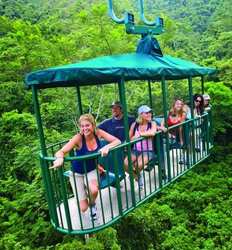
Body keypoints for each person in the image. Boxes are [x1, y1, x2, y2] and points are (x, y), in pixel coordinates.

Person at [51, 114, 120, 220]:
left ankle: (92, 204)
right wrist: (60, 158)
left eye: (87, 125)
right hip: (77, 173)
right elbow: (61, 151)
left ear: (93, 125)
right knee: (83, 208)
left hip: (91, 170)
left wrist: (107, 147)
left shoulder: (98, 133)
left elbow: (117, 141)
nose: (84, 128)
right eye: (82, 126)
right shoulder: (78, 138)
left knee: (93, 190)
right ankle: (81, 193)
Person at [124, 105, 157, 189]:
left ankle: (137, 174)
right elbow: (129, 138)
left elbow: (152, 132)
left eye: (150, 112)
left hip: (148, 151)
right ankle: (137, 176)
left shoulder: (152, 123)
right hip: (135, 150)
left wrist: (139, 135)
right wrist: (135, 137)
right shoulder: (134, 125)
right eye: (147, 113)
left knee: (138, 165)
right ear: (141, 115)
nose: (150, 114)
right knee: (126, 164)